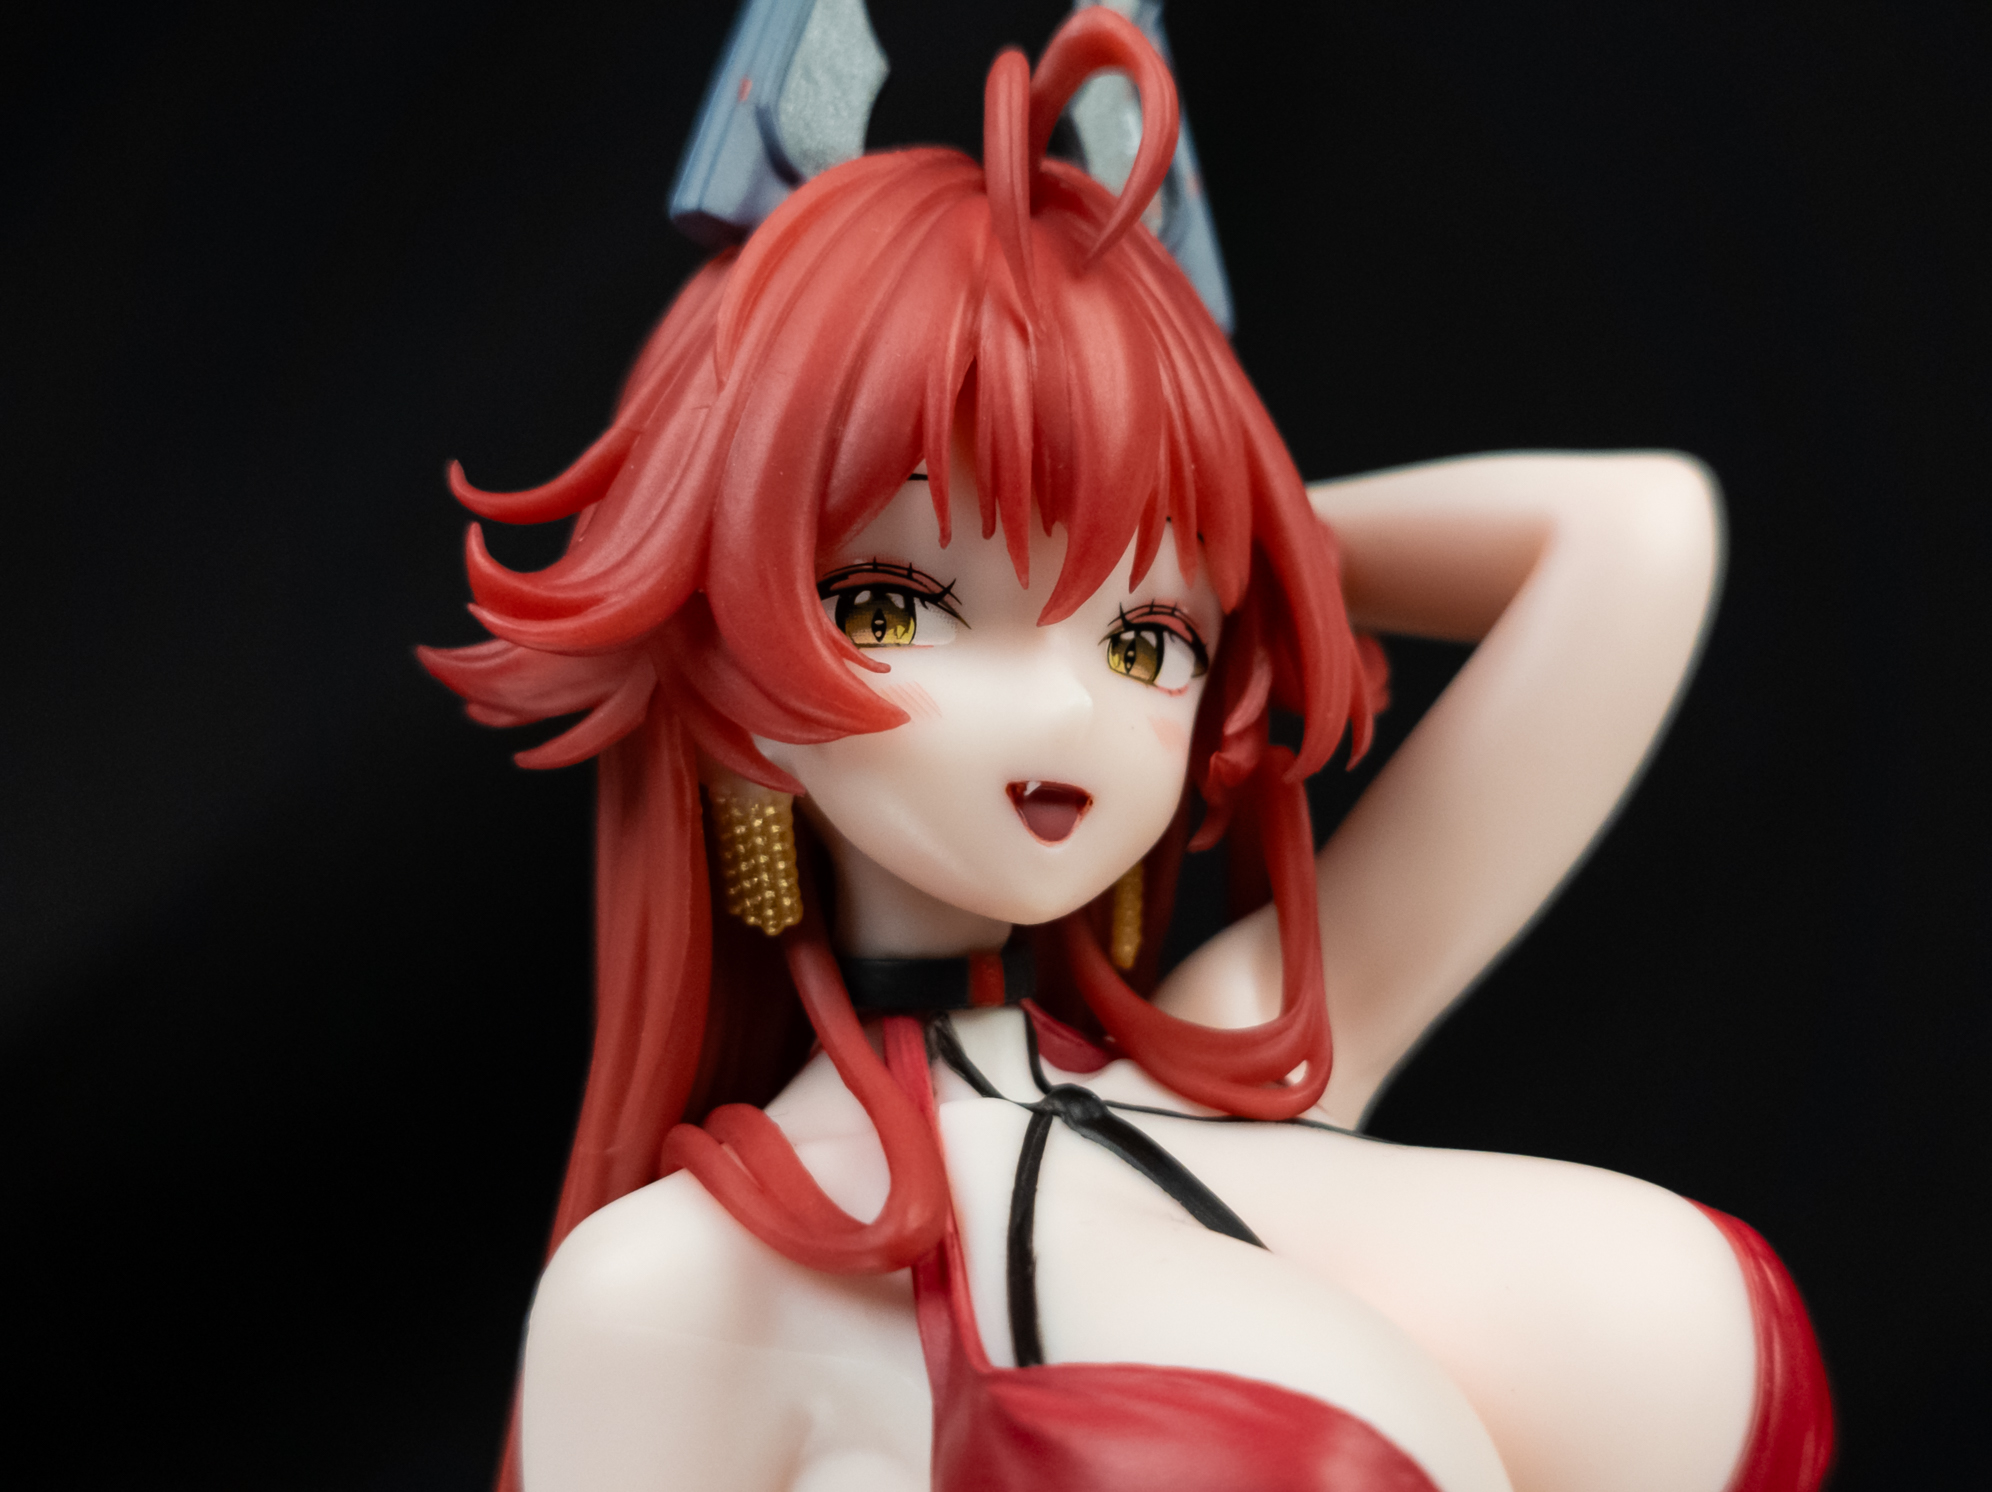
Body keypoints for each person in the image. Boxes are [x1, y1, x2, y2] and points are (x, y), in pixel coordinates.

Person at [422, 11, 1831, 1490]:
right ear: (720, 659)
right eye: (896, 605)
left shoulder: (1245, 1053)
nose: (1065, 711)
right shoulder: (683, 1289)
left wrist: (1230, 523)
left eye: (1144, 641)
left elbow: (1636, 537)